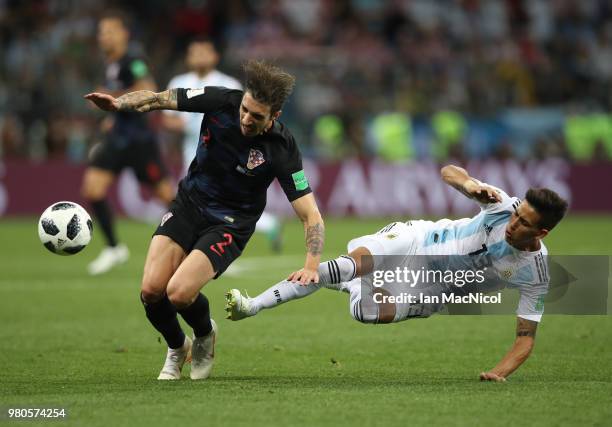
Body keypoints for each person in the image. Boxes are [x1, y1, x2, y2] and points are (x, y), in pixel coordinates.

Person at [84, 60, 324, 380]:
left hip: (230, 222)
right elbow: (159, 99)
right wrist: (118, 105)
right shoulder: (222, 100)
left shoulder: (281, 147)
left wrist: (311, 264)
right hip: (189, 203)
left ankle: (204, 334)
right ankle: (176, 347)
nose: (246, 118)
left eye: (257, 116)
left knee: (180, 293)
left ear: (274, 117)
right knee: (151, 291)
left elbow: (310, 214)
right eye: (246, 109)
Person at [225, 164, 568, 382]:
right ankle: (252, 305)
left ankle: (348, 284)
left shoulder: (534, 272)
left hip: (431, 289)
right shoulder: (500, 205)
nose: (514, 223)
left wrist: (498, 373)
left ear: (541, 233)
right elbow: (449, 171)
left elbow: (526, 338)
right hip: (416, 239)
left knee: (366, 312)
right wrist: (469, 185)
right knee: (355, 263)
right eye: (516, 215)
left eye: (524, 223)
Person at [163, 39, 284, 251]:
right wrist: (181, 125)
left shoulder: (228, 84)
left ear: (214, 56)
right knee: (196, 197)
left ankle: (205, 243)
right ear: (188, 57)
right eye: (194, 52)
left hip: (223, 150)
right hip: (191, 148)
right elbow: (166, 118)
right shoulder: (178, 81)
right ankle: (197, 243)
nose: (199, 56)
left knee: (219, 198)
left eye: (204, 51)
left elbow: (245, 120)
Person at [82, 11, 174, 275]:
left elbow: (148, 87)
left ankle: (198, 240)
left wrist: (114, 99)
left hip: (139, 141)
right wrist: (110, 118)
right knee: (93, 189)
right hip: (116, 138)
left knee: (168, 196)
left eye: (110, 30)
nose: (104, 36)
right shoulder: (109, 63)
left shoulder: (134, 59)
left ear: (124, 33)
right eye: (101, 32)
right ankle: (114, 248)